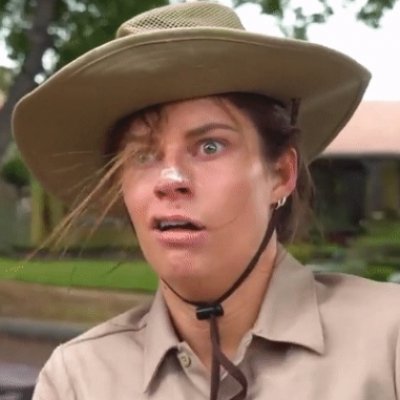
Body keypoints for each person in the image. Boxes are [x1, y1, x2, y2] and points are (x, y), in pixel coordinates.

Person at [12, 2, 400, 400]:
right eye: (143, 156)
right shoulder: (80, 379)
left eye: (210, 146)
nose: (171, 180)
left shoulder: (388, 340)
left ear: (282, 174)